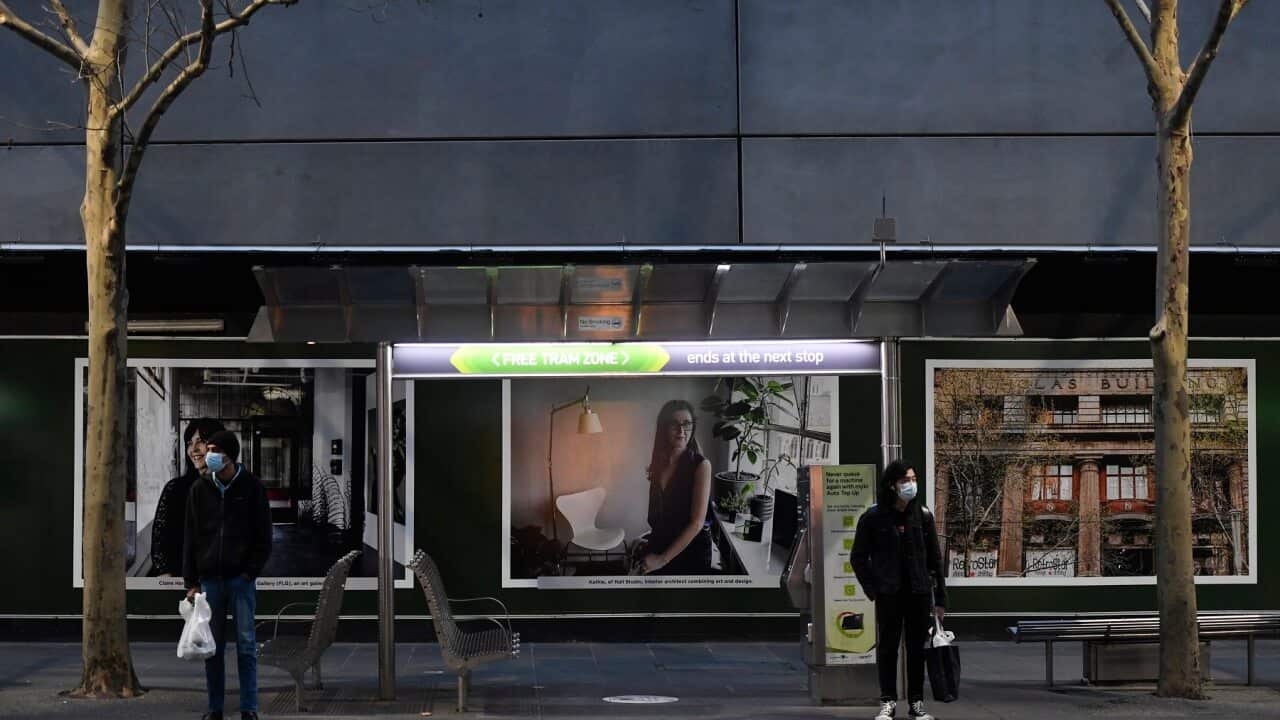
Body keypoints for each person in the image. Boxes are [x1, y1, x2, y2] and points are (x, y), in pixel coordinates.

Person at [183, 430, 272, 720]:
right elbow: (190, 538)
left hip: (240, 581)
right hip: (209, 581)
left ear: (229, 456)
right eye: (208, 448)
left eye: (214, 450)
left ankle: (249, 708)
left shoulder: (252, 487)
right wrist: (191, 583)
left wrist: (250, 572)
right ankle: (215, 708)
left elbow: (264, 537)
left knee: (246, 645)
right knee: (213, 648)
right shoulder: (200, 489)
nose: (208, 454)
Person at [850, 460, 947, 720]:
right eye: (905, 480)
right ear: (892, 485)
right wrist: (874, 589)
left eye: (913, 479)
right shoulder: (873, 517)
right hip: (889, 594)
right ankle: (888, 702)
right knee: (888, 649)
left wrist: (941, 601)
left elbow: (935, 561)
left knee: (917, 650)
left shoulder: (923, 515)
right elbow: (858, 557)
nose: (911, 485)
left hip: (918, 593)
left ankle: (916, 703)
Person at [641, 400, 714, 575]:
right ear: (664, 428)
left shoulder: (701, 465)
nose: (682, 431)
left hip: (691, 550)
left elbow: (697, 523)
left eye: (687, 424)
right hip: (662, 543)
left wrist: (661, 560)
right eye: (675, 425)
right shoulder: (659, 462)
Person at [150, 418, 225, 577]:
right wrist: (168, 578)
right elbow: (160, 546)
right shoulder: (175, 489)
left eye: (201, 441)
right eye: (190, 443)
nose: (193, 449)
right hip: (182, 581)